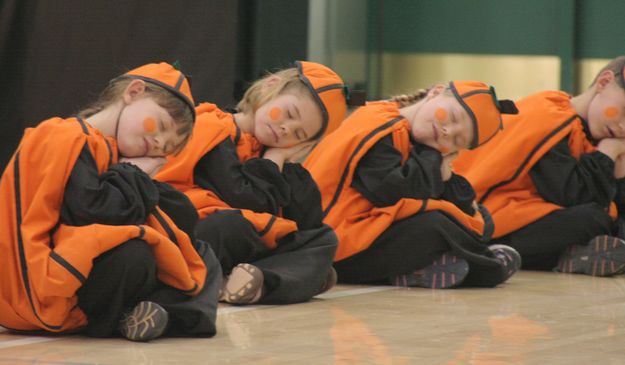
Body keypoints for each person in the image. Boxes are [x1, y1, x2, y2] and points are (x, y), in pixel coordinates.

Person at [0, 62, 222, 342]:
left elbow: (183, 217)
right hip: (40, 287)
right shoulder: (64, 135)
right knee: (135, 254)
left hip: (78, 272)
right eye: (161, 126)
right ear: (134, 92)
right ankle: (155, 314)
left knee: (198, 253)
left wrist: (135, 175)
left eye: (166, 148)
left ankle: (151, 315)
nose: (157, 142)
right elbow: (89, 211)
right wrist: (135, 174)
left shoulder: (110, 152)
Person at [156, 61, 357, 304]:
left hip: (237, 238)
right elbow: (248, 200)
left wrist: (285, 159)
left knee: (323, 238)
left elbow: (308, 218)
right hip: (191, 232)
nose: (286, 129)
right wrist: (273, 160)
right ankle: (279, 280)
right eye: (290, 114)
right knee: (232, 223)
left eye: (299, 135)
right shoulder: (216, 128)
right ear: (269, 87)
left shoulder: (264, 148)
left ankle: (253, 282)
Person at [304, 80, 521, 289]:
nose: (448, 132)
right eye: (453, 117)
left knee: (475, 215)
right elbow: (391, 192)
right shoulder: (382, 127)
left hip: (363, 236)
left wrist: (439, 164)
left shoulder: (415, 139)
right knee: (434, 225)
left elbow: (461, 202)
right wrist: (435, 157)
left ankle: (441, 267)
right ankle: (484, 264)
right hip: (332, 249)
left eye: (457, 141)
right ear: (435, 92)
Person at [453, 56, 625, 276]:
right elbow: (573, 194)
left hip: (523, 211)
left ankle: (573, 256)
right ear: (603, 82)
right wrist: (608, 154)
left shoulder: (589, 130)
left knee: (605, 219)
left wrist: (618, 174)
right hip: (482, 220)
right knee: (593, 219)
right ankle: (490, 254)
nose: (622, 127)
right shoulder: (552, 117)